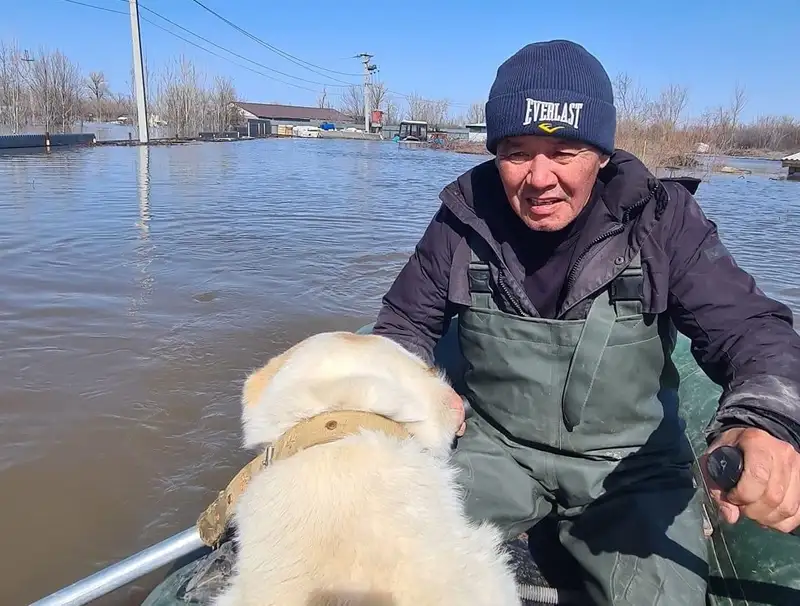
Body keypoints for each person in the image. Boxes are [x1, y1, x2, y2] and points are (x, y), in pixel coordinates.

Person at [372, 39, 800, 605]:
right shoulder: (461, 219)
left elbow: (753, 332)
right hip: (494, 449)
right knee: (379, 563)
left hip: (629, 468)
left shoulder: (664, 222)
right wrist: (371, 404)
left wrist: (763, 422)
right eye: (517, 152)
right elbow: (403, 327)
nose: (540, 178)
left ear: (600, 154)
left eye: (565, 150)